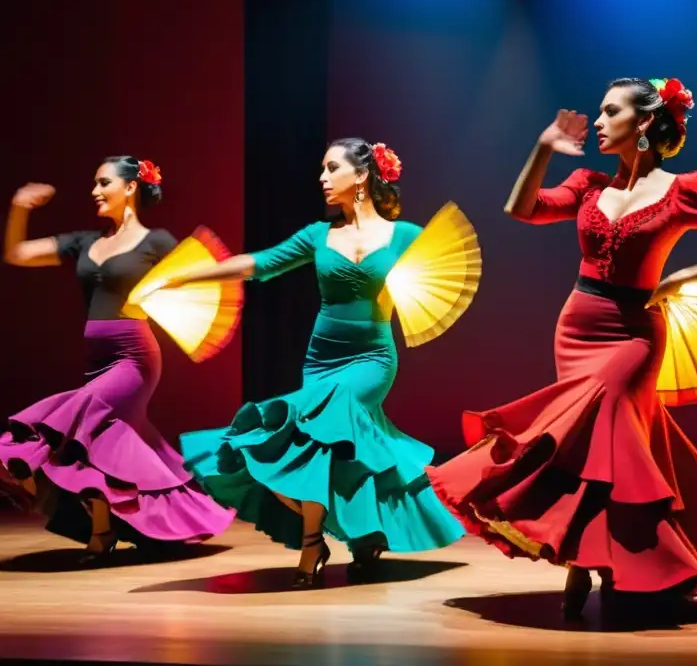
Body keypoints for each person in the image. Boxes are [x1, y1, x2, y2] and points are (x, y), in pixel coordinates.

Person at [427, 78, 697, 621]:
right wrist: (545, 147)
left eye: (608, 111)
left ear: (643, 122)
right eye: (597, 112)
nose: (597, 121)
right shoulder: (588, 184)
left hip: (636, 334)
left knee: (611, 423)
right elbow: (521, 208)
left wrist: (685, 276)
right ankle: (586, 557)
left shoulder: (685, 189)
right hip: (578, 325)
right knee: (589, 450)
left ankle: (608, 563)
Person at [166, 139, 465, 589]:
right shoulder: (317, 235)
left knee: (336, 423)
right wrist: (192, 273)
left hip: (372, 360)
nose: (322, 179)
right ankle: (360, 536)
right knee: (311, 445)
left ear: (361, 176)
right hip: (322, 358)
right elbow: (260, 264)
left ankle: (312, 544)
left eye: (331, 169)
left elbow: (441, 277)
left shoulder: (406, 237)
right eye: (321, 170)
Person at [0, 157, 234, 564]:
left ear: (130, 188)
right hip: (98, 360)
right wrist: (20, 206)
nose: (94, 190)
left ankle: (103, 533)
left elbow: (199, 274)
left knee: (84, 423)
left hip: (134, 358)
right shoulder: (85, 242)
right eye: (94, 182)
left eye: (103, 182)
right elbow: (18, 253)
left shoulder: (156, 242)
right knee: (99, 439)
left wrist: (183, 307)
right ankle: (125, 526)